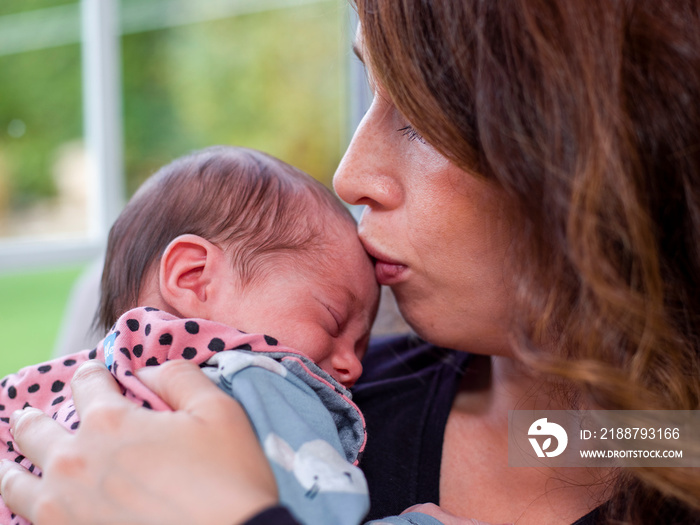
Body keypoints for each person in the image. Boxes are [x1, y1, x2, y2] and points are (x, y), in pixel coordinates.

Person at [1, 0, 699, 524]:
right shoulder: (308, 393)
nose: (351, 173)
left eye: (421, 119)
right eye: (372, 94)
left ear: (616, 151)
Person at [0, 145, 383, 525]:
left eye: (361, 346)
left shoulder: (46, 396)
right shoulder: (258, 385)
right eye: (333, 321)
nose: (353, 366)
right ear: (194, 278)